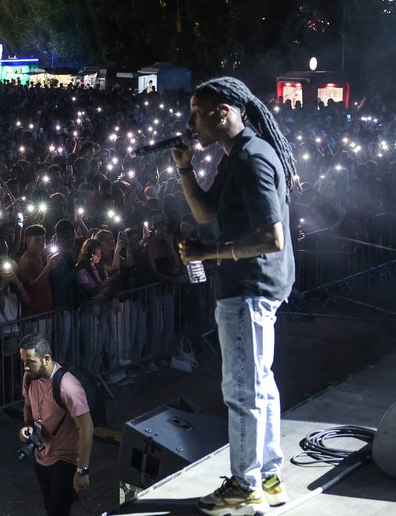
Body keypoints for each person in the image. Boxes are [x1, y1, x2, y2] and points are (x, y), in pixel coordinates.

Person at [173, 76, 296, 516]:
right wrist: (186, 169)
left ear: (223, 112)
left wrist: (211, 253)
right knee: (260, 382)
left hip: (248, 288)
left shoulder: (252, 159)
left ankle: (245, 485)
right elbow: (207, 212)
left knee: (242, 389)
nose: (190, 123)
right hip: (251, 286)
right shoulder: (238, 156)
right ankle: (267, 473)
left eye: (196, 113)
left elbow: (271, 236)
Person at [18, 332, 93, 516]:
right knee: (50, 506)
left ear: (46, 359)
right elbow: (27, 405)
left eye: (30, 362)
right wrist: (27, 425)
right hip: (42, 456)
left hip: (65, 459)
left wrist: (82, 470)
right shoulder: (30, 378)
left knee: (56, 511)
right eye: (23, 362)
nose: (26, 367)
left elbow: (87, 428)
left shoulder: (68, 387)